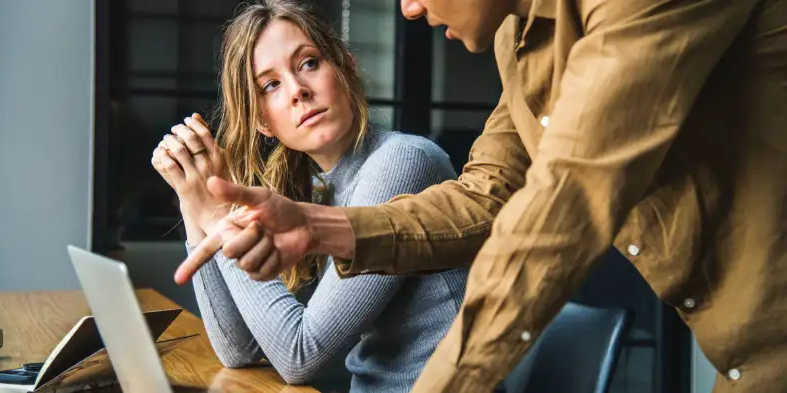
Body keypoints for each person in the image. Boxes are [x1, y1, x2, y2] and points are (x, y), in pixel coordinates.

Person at [177, 0, 787, 392]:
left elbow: (565, 203)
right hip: (744, 358)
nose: (410, 9)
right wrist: (318, 226)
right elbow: (487, 195)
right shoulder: (517, 42)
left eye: (308, 63)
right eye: (271, 86)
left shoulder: (634, 5)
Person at [151, 1, 471, 392]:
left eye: (308, 63)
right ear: (263, 121)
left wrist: (218, 214)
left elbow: (299, 356)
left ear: (347, 68)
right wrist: (192, 199)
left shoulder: (404, 161)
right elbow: (240, 350)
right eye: (271, 85)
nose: (298, 91)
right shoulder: (320, 190)